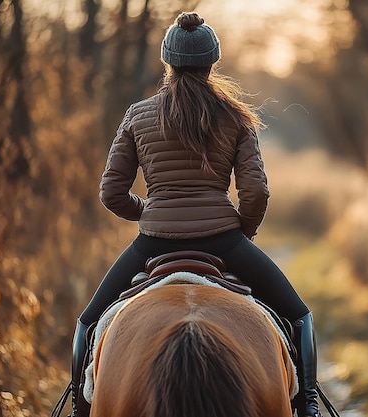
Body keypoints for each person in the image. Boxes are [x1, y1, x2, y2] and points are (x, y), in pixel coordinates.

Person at [69, 11, 322, 417]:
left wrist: (148, 211)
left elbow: (112, 193)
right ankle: (308, 403)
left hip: (152, 242)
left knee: (88, 323)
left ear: (167, 61)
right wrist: (244, 231)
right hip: (224, 240)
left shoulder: (138, 114)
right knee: (299, 315)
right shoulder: (237, 116)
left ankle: (81, 409)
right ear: (212, 63)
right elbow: (255, 192)